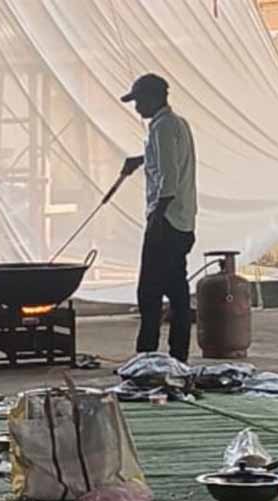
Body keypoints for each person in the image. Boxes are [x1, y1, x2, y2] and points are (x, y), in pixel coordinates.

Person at [119, 73, 198, 362]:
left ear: (154, 98)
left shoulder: (162, 127)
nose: (137, 107)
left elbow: (169, 178)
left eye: (139, 100)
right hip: (183, 220)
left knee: (149, 292)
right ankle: (178, 356)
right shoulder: (177, 124)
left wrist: (157, 218)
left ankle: (147, 356)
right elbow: (169, 158)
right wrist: (141, 159)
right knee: (176, 290)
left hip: (167, 221)